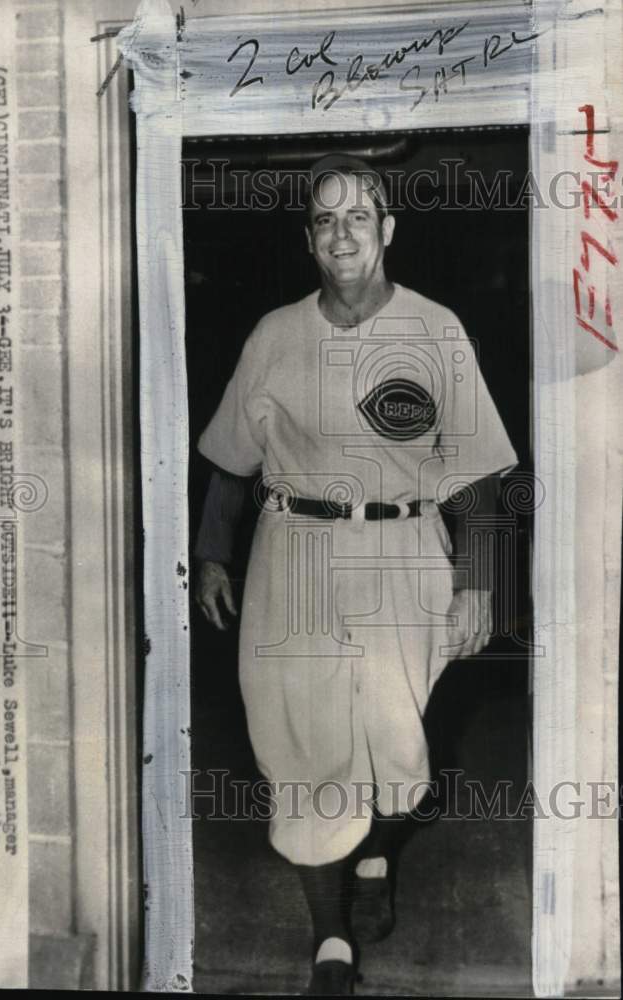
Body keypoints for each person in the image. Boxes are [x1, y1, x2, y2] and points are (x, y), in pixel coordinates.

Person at [194, 154, 518, 994]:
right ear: (308, 239)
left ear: (387, 230)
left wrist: (479, 578)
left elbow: (480, 473)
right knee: (301, 749)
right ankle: (329, 940)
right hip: (292, 554)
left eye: (358, 218)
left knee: (398, 756)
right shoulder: (273, 334)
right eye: (325, 220)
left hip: (403, 557)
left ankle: (376, 848)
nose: (342, 234)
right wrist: (210, 553)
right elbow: (231, 461)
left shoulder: (435, 329)